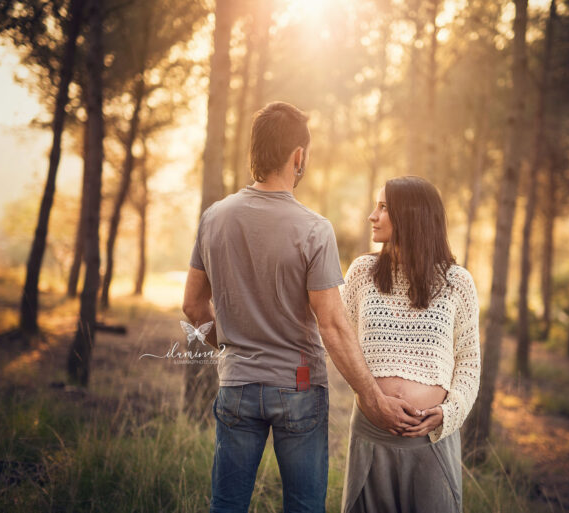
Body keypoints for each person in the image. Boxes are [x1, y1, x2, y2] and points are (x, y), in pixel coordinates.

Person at [182, 102, 423, 513]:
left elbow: (192, 306)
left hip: (236, 384)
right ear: (298, 156)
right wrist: (373, 397)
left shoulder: (213, 218)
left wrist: (234, 347)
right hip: (299, 386)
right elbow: (332, 325)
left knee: (226, 505)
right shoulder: (314, 229)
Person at [340, 176, 481, 513]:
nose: (372, 216)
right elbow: (338, 341)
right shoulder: (362, 273)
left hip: (430, 443)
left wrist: (448, 413)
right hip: (371, 436)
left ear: (412, 215)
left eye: (383, 207)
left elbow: (469, 364)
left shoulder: (457, 282)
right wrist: (370, 397)